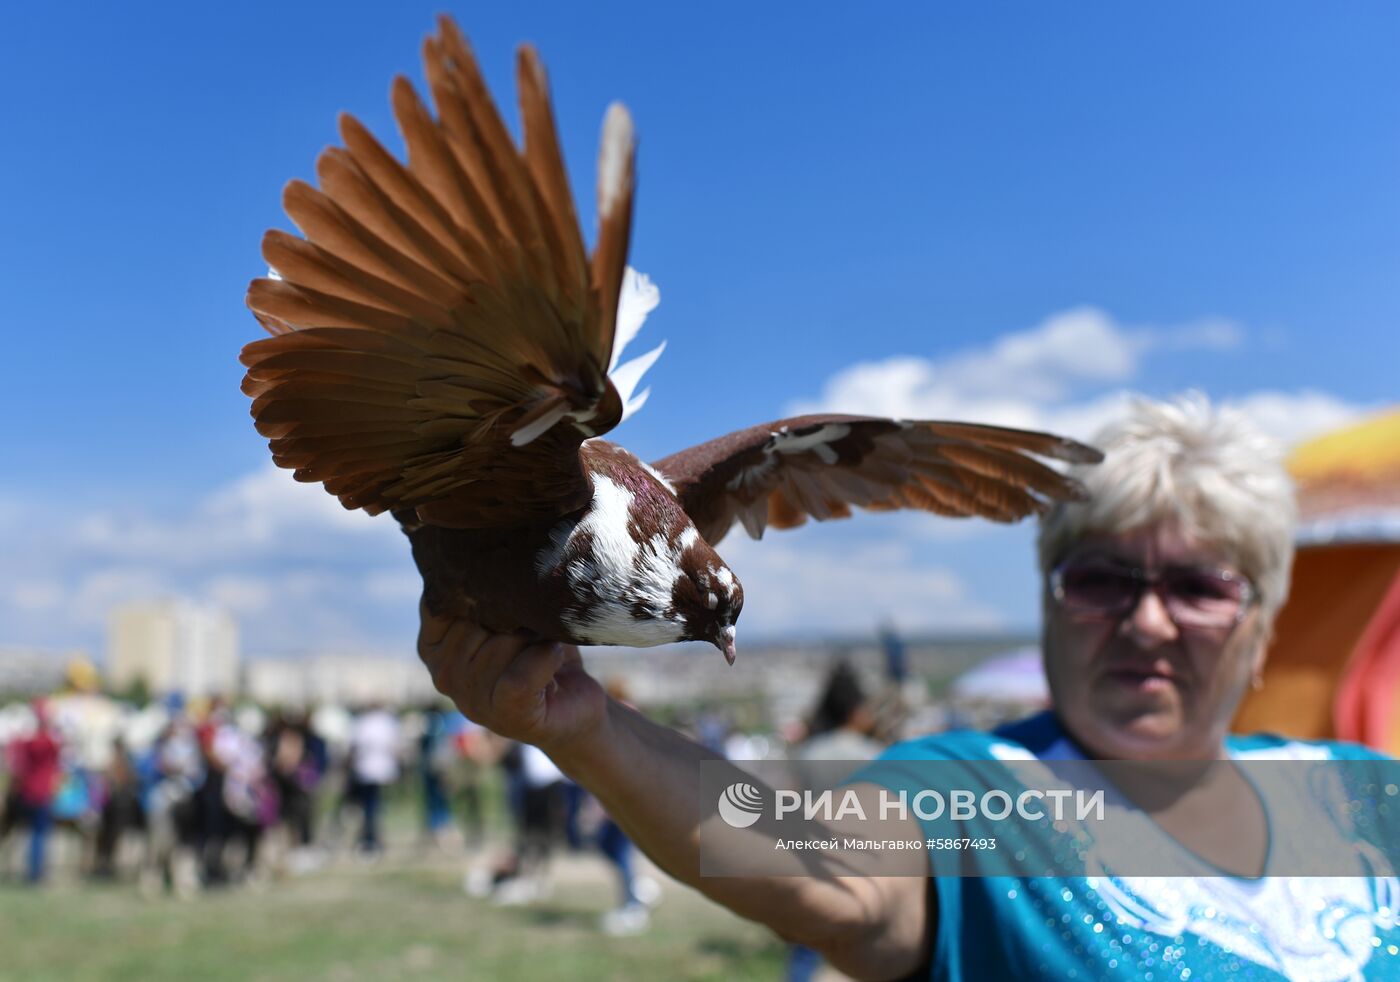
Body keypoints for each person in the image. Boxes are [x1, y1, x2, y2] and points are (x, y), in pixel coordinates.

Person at [417, 396, 1400, 980]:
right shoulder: (983, 793)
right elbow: (815, 857)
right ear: (1050, 604)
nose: (1145, 620)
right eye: (1101, 579)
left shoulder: (1361, 795)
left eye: (1196, 587)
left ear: (1263, 624)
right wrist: (597, 732)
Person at [3, 700, 62, 883]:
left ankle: (27, 870)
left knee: (25, 833)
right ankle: (36, 874)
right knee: (39, 834)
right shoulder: (51, 743)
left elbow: (15, 764)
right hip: (42, 794)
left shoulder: (25, 742)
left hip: (26, 793)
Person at [348, 703, 401, 856]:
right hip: (379, 770)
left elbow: (354, 746)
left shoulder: (363, 722)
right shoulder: (386, 721)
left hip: (368, 770)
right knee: (373, 808)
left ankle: (371, 838)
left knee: (370, 808)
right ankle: (372, 838)